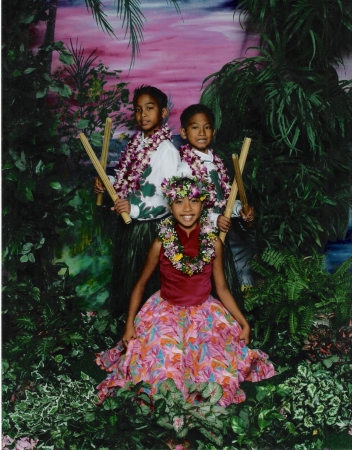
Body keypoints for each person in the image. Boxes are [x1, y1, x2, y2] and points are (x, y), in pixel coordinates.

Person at [95, 176, 275, 408]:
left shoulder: (213, 243)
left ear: (203, 205)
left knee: (217, 374)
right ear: (170, 206)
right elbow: (140, 285)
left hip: (204, 315)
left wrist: (244, 323)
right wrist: (130, 323)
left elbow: (221, 288)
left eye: (193, 201)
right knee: (159, 372)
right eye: (179, 202)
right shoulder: (161, 242)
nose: (187, 209)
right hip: (164, 313)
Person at [94, 85, 180, 316]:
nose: (143, 115)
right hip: (130, 227)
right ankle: (126, 327)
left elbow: (169, 199)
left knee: (147, 283)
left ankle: (149, 333)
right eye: (138, 109)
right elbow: (129, 178)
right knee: (128, 279)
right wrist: (108, 181)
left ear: (163, 113)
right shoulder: (136, 144)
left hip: (151, 230)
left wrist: (134, 208)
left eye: (149, 108)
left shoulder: (167, 150)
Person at [177, 103, 254, 309]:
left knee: (237, 273)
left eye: (207, 127)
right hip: (200, 237)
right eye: (195, 127)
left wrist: (240, 210)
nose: (202, 133)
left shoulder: (216, 162)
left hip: (225, 233)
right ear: (183, 132)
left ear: (214, 131)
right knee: (210, 287)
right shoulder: (184, 168)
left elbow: (224, 198)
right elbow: (184, 210)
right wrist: (214, 220)